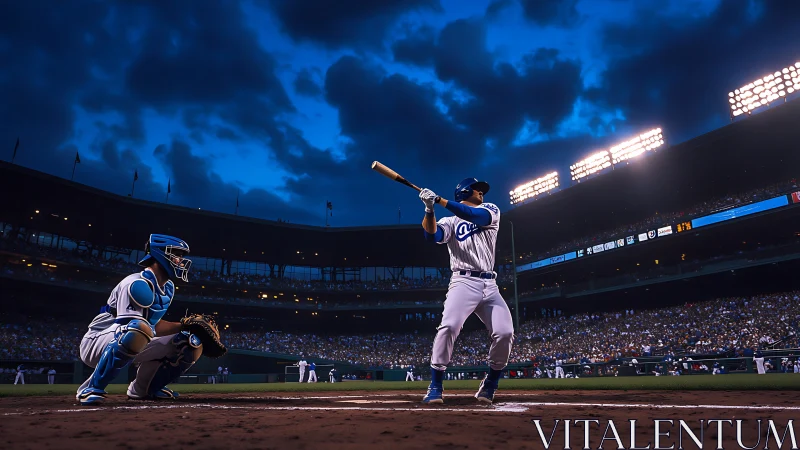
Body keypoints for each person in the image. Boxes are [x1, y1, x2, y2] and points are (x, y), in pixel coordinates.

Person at [76, 234, 204, 405]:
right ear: (159, 254)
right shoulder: (136, 283)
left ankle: (144, 388)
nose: (180, 261)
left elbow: (154, 326)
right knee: (137, 329)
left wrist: (187, 325)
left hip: (132, 335)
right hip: (96, 341)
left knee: (189, 342)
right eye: (176, 255)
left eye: (181, 256)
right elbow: (132, 325)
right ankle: (90, 388)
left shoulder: (168, 288)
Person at [418, 178, 514, 404]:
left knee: (505, 332)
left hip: (490, 284)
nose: (481, 191)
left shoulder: (490, 209)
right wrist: (429, 209)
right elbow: (432, 236)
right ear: (464, 191)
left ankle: (490, 383)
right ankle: (435, 386)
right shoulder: (449, 221)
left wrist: (440, 200)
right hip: (463, 282)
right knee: (449, 326)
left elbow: (474, 217)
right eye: (476, 188)